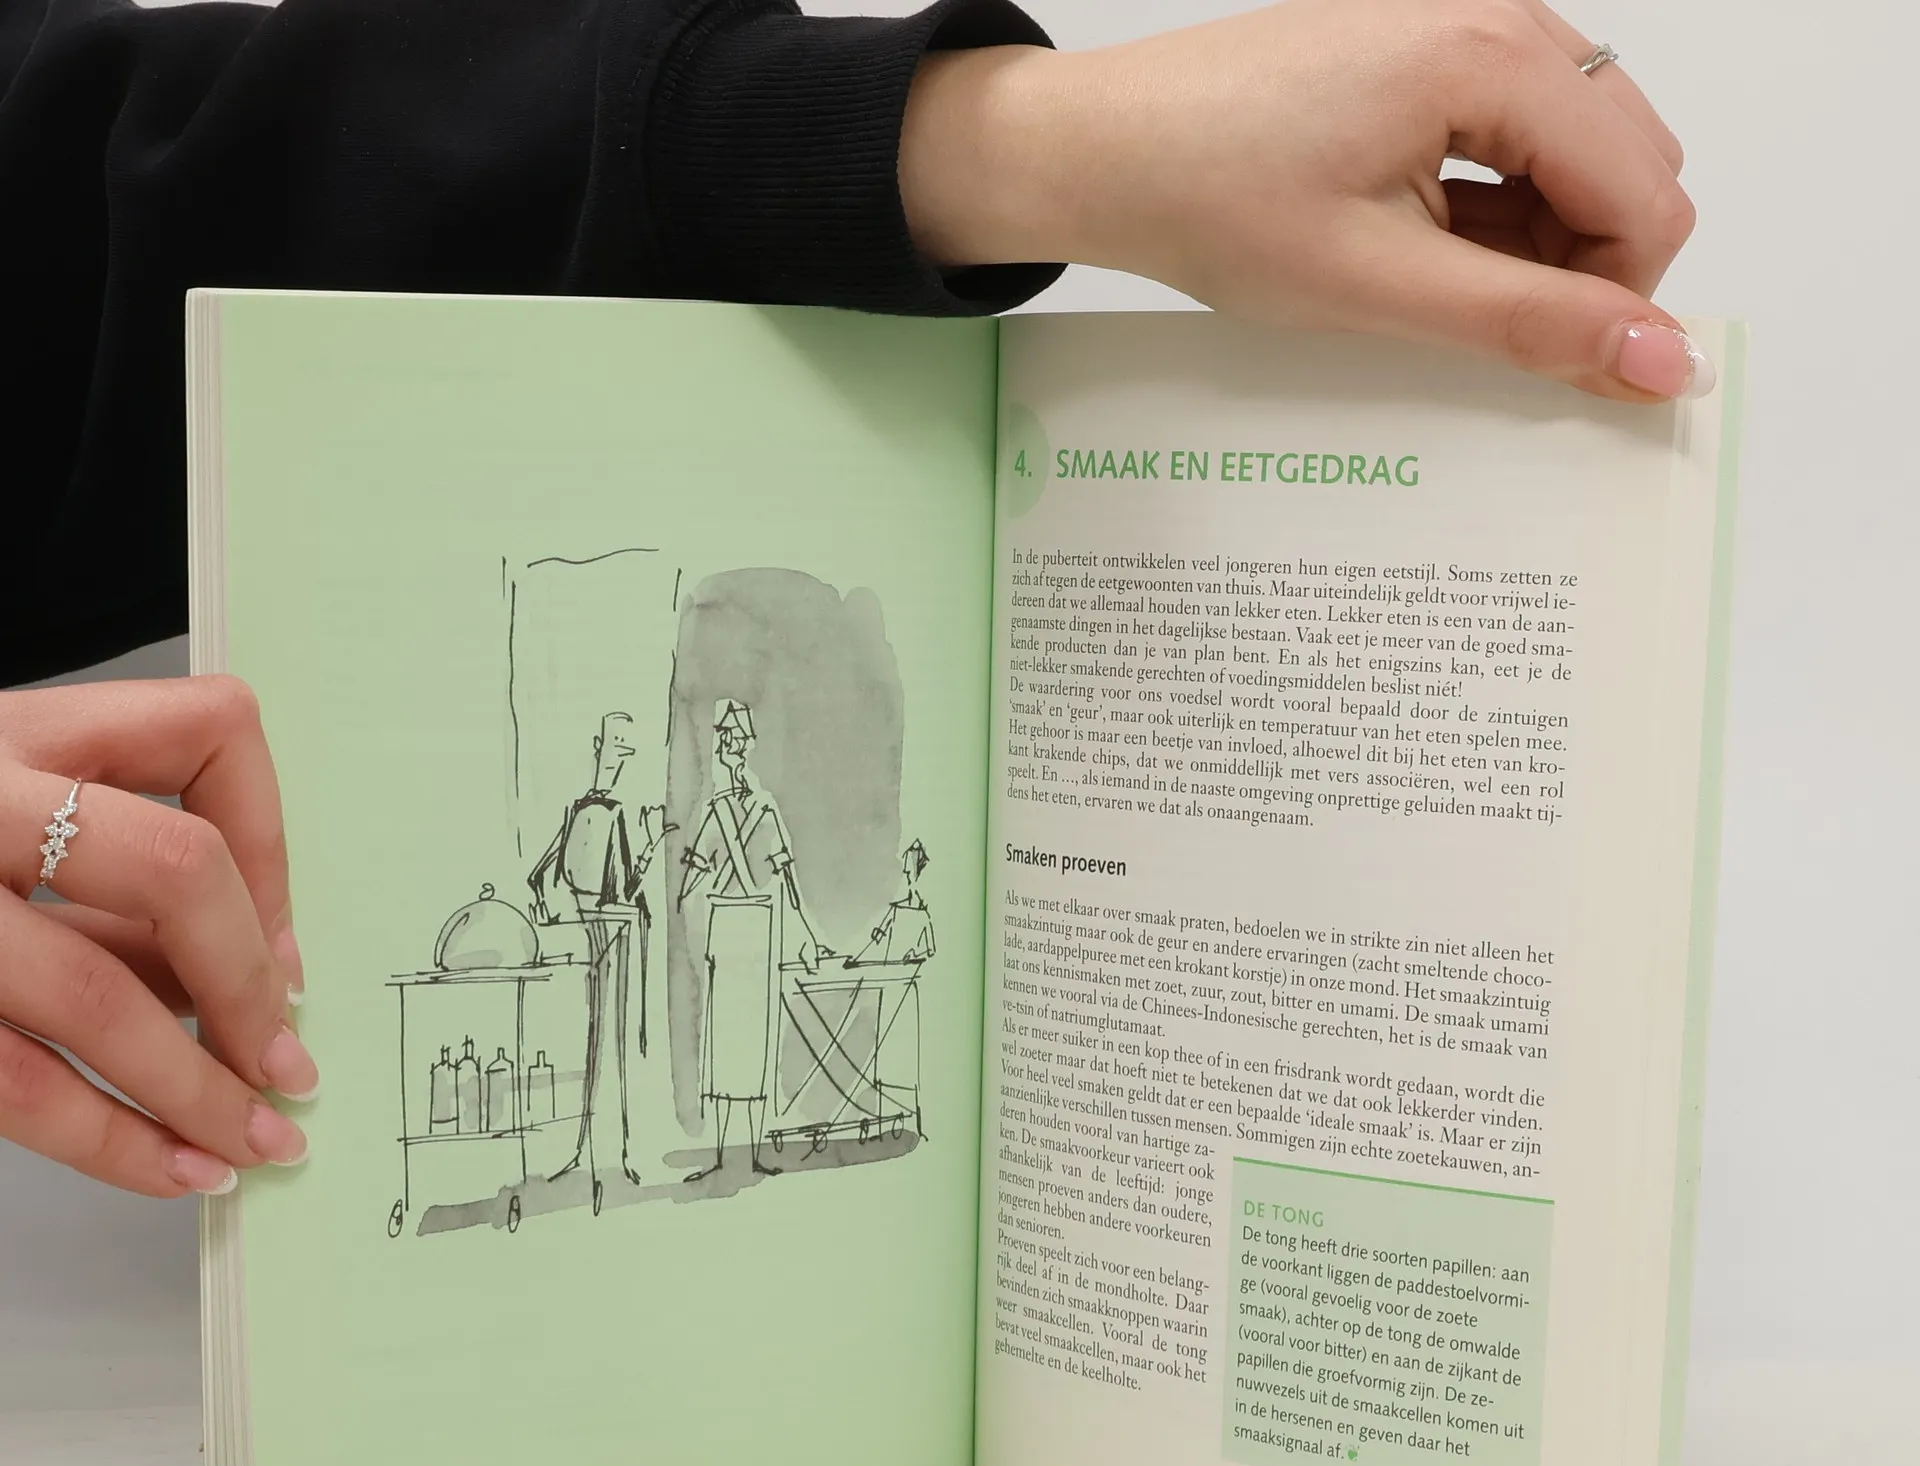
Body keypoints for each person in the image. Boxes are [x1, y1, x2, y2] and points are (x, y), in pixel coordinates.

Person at [0, 0, 1704, 1199]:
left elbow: (92, 216)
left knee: (755, 1043)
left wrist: (1010, 141)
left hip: (723, 943)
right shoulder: (626, 814)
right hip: (625, 966)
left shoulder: (713, 802)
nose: (703, 750)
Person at [676, 701, 826, 1181]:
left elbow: (787, 877)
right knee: (725, 1038)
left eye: (736, 740)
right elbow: (696, 873)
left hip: (756, 926)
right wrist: (686, 896)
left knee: (754, 1037)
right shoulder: (719, 811)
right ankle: (727, 1153)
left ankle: (750, 1150)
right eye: (728, 741)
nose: (732, 749)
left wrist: (807, 933)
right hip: (731, 924)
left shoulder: (762, 808)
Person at [526, 712, 670, 1189]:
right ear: (599, 746)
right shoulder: (603, 811)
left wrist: (549, 905)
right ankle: (601, 1149)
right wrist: (651, 843)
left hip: (603, 931)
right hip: (607, 933)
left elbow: (544, 875)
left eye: (626, 750)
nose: (620, 758)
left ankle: (610, 1149)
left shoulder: (586, 809)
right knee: (606, 1041)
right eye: (616, 747)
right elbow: (622, 886)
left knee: (606, 1041)